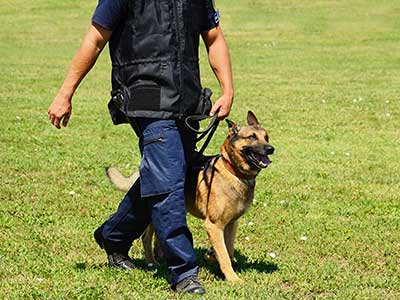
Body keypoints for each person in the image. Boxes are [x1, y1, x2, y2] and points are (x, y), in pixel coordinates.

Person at [48, 0, 233, 294]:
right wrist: (64, 94)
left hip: (187, 100)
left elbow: (214, 37)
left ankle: (114, 237)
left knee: (165, 175)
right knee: (168, 184)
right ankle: (183, 272)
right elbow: (95, 39)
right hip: (144, 97)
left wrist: (227, 88)